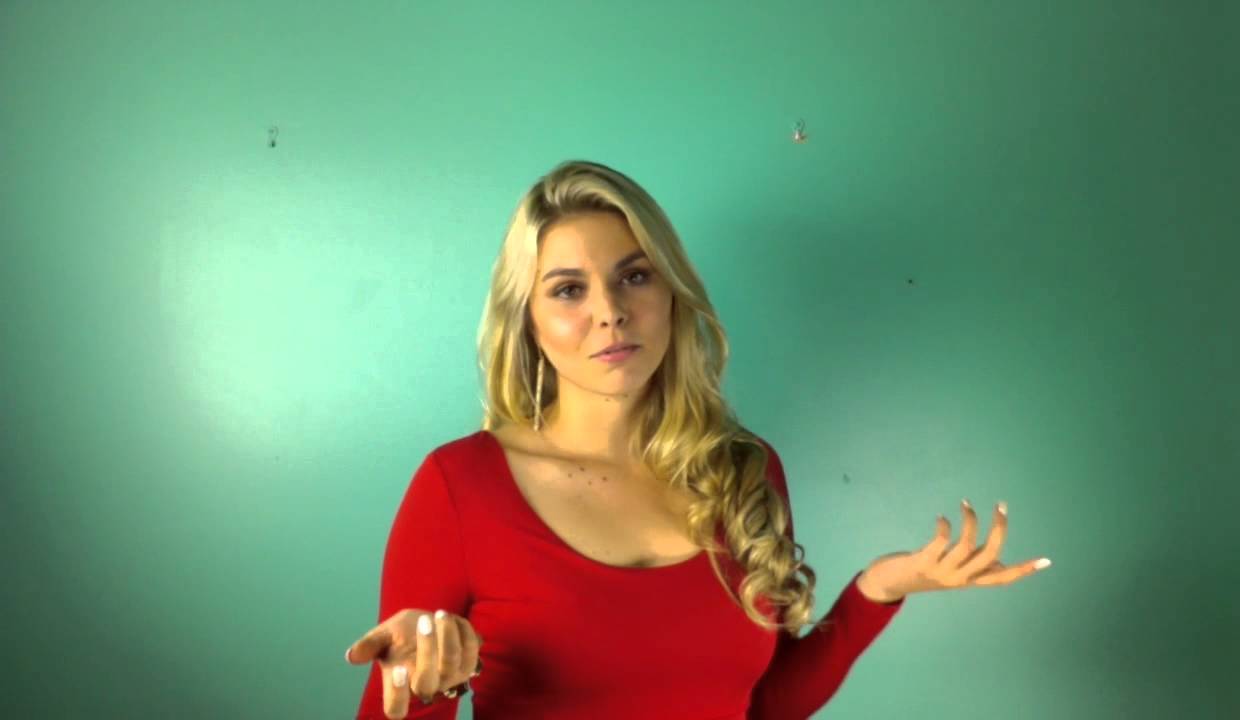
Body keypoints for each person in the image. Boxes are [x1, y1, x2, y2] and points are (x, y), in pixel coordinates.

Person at [344, 160, 1050, 719]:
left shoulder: (743, 470)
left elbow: (764, 704)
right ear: (526, 320)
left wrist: (878, 590)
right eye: (568, 289)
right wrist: (424, 688)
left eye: (634, 276)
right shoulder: (459, 488)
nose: (611, 312)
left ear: (671, 294)